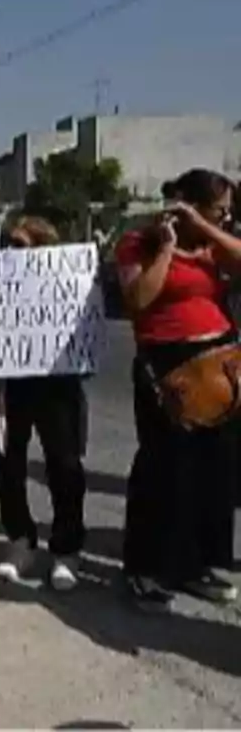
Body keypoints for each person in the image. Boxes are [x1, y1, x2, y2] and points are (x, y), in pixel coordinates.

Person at [115, 168, 240, 611]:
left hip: (221, 364)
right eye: (217, 210)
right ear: (186, 203)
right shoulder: (138, 244)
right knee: (164, 468)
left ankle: (197, 563)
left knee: (217, 471)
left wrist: (205, 228)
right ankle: (145, 568)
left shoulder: (212, 245)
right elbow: (138, 300)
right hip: (168, 365)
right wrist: (167, 247)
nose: (224, 220)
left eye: (226, 214)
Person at [0, 215, 88, 591]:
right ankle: (20, 541)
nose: (12, 252)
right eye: (9, 244)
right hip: (11, 384)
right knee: (8, 463)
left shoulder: (68, 283)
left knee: (64, 465)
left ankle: (66, 549)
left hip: (58, 384)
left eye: (21, 245)